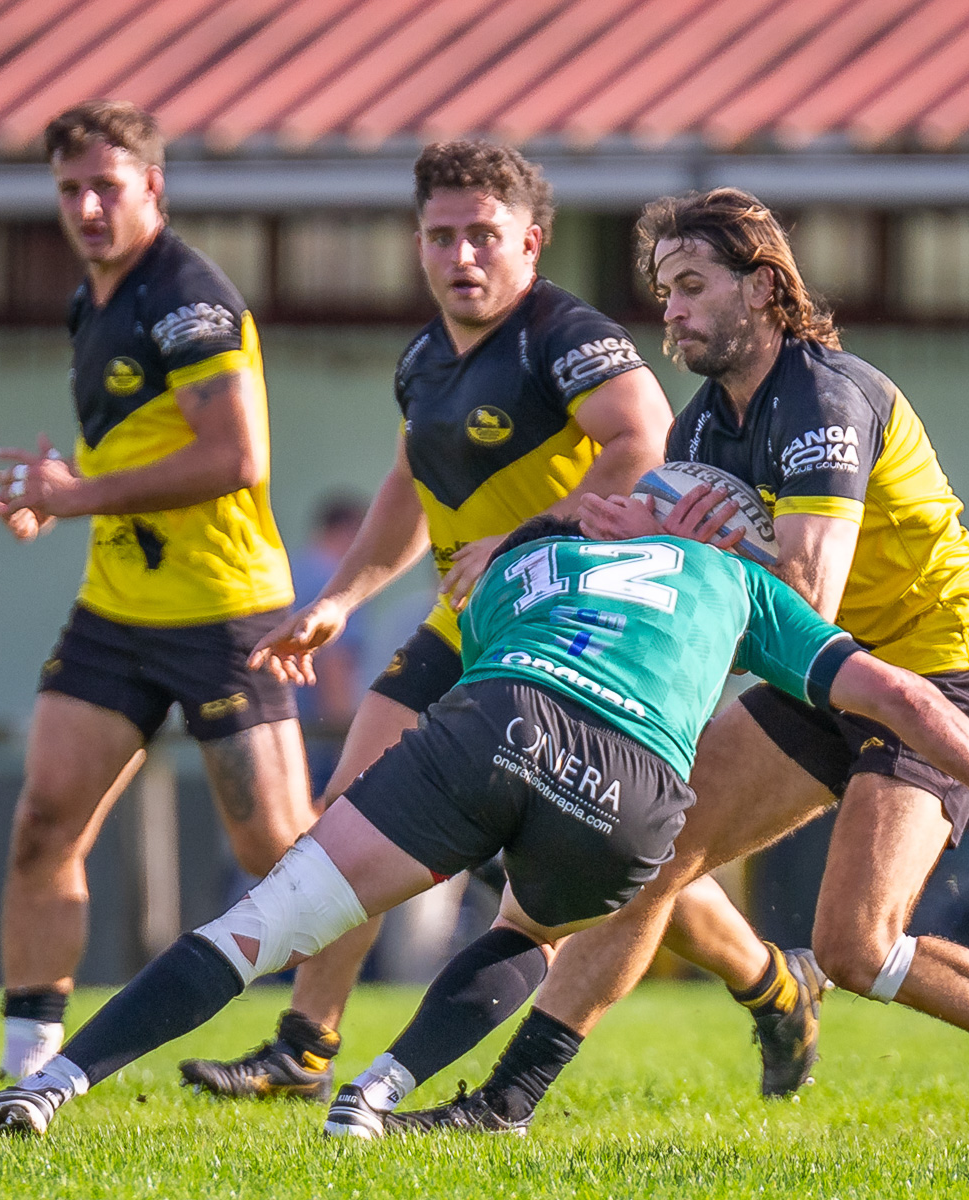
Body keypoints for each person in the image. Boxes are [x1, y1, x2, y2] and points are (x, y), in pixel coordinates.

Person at [396, 188, 969, 1147]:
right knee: (649, 854)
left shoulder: (826, 399)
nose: (672, 311)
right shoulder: (699, 433)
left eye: (693, 286)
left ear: (763, 288)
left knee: (857, 948)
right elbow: (726, 609)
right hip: (828, 671)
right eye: (665, 291)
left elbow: (804, 596)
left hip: (941, 669)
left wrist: (712, 553)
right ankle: (505, 1105)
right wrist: (608, 548)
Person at [0, 514, 969, 1138]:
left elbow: (471, 644)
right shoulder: (745, 585)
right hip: (633, 786)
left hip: (495, 723)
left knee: (265, 921)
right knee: (526, 930)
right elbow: (906, 698)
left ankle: (54, 1085)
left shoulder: (525, 562)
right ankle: (376, 1095)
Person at [177, 141, 769, 1102]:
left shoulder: (562, 336)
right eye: (441, 236)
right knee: (352, 809)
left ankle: (768, 981)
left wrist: (532, 537)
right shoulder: (425, 360)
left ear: (530, 243)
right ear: (417, 243)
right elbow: (408, 487)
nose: (461, 256)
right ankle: (303, 1047)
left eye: (483, 235)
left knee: (584, 865)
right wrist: (338, 601)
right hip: (466, 627)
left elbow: (644, 436)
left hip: (560, 632)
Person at [0, 100, 314, 1077]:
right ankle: (26, 1069)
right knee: (44, 824)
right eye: (69, 190)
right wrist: (55, 500)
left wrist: (77, 494)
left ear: (153, 188)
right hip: (117, 613)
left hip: (225, 613)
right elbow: (137, 447)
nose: (87, 207)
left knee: (286, 856)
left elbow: (235, 456)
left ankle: (316, 1039)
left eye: (106, 187)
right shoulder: (92, 300)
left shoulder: (187, 297)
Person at [289, 492, 369, 793]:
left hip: (277, 728)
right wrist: (344, 746)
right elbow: (335, 665)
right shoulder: (338, 587)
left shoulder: (292, 573)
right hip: (318, 737)